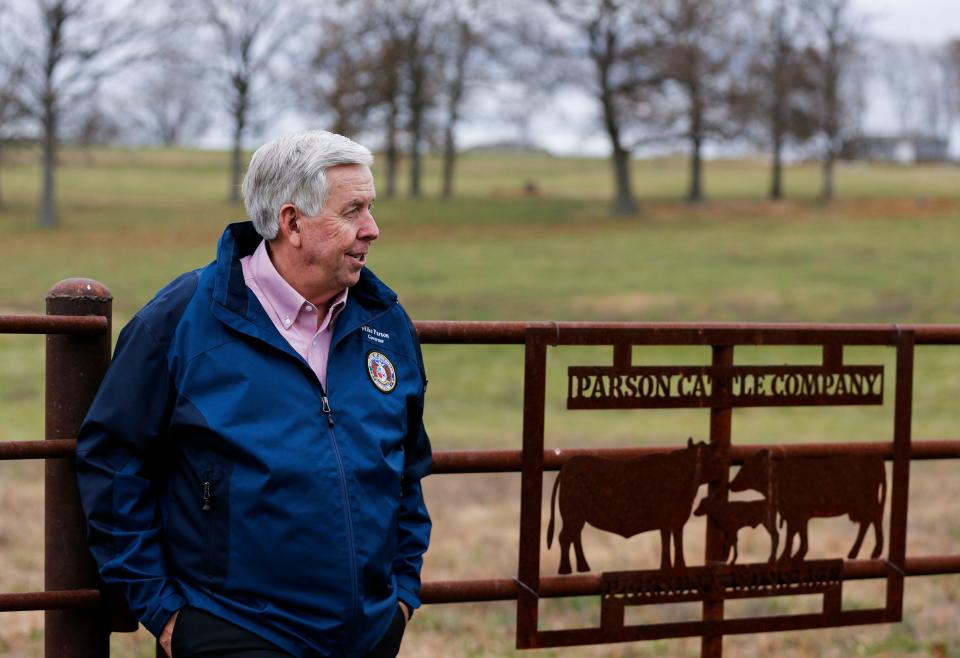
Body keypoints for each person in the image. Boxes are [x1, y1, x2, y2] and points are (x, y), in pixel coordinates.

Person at [75, 130, 432, 658]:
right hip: (233, 632)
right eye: (352, 210)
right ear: (291, 222)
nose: (372, 230)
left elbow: (407, 468)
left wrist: (400, 597)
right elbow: (112, 461)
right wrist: (167, 614)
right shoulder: (183, 319)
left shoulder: (384, 321)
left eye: (371, 208)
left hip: (367, 637)